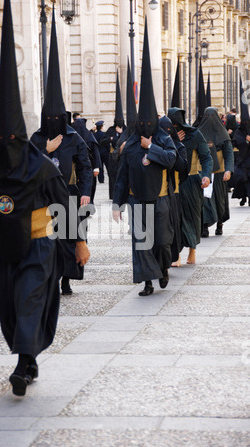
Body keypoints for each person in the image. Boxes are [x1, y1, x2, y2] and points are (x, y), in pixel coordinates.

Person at [0, 0, 90, 398]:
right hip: (3, 247)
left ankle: (22, 363)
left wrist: (78, 242)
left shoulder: (41, 167)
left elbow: (64, 205)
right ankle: (26, 360)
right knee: (9, 308)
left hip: (38, 246)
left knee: (30, 300)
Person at [113, 18, 177, 296]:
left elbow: (172, 160)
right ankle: (148, 282)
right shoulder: (129, 145)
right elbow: (121, 176)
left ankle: (162, 269)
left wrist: (152, 146)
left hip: (161, 198)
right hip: (137, 199)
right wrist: (117, 204)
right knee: (141, 242)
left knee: (161, 241)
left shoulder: (162, 139)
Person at [30, 6, 92, 296]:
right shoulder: (37, 137)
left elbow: (85, 164)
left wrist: (86, 192)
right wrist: (44, 148)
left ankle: (67, 279)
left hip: (68, 193)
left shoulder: (74, 137)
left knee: (70, 237)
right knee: (48, 239)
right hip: (43, 196)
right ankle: (51, 279)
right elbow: (26, 162)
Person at [168, 107, 213, 265]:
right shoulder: (166, 137)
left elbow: (206, 157)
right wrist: (174, 142)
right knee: (175, 218)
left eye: (175, 127)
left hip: (192, 182)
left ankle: (192, 250)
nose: (174, 130)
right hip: (173, 184)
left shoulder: (194, 134)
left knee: (193, 217)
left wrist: (206, 175)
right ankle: (176, 255)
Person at [198, 107, 234, 237]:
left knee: (220, 200)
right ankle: (204, 226)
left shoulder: (223, 135)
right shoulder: (199, 133)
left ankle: (219, 224)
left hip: (219, 172)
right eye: (208, 117)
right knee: (205, 200)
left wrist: (228, 170)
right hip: (204, 171)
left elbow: (229, 154)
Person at [159, 116, 189, 267]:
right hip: (160, 193)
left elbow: (182, 168)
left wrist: (173, 148)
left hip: (175, 192)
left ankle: (175, 255)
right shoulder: (157, 146)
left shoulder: (179, 146)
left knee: (175, 225)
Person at [105, 71, 126, 199]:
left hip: (123, 156)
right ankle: (112, 195)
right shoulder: (110, 129)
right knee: (112, 176)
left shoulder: (126, 130)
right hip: (112, 156)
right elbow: (103, 140)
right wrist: (112, 137)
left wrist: (122, 133)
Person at [72, 117, 101, 206]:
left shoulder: (90, 136)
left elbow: (96, 153)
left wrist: (96, 167)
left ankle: (89, 205)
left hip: (90, 167)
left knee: (90, 187)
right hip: (78, 167)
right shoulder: (73, 137)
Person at [231, 78, 250, 207]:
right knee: (242, 180)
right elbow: (235, 141)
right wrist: (245, 141)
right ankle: (243, 198)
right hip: (242, 162)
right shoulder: (239, 130)